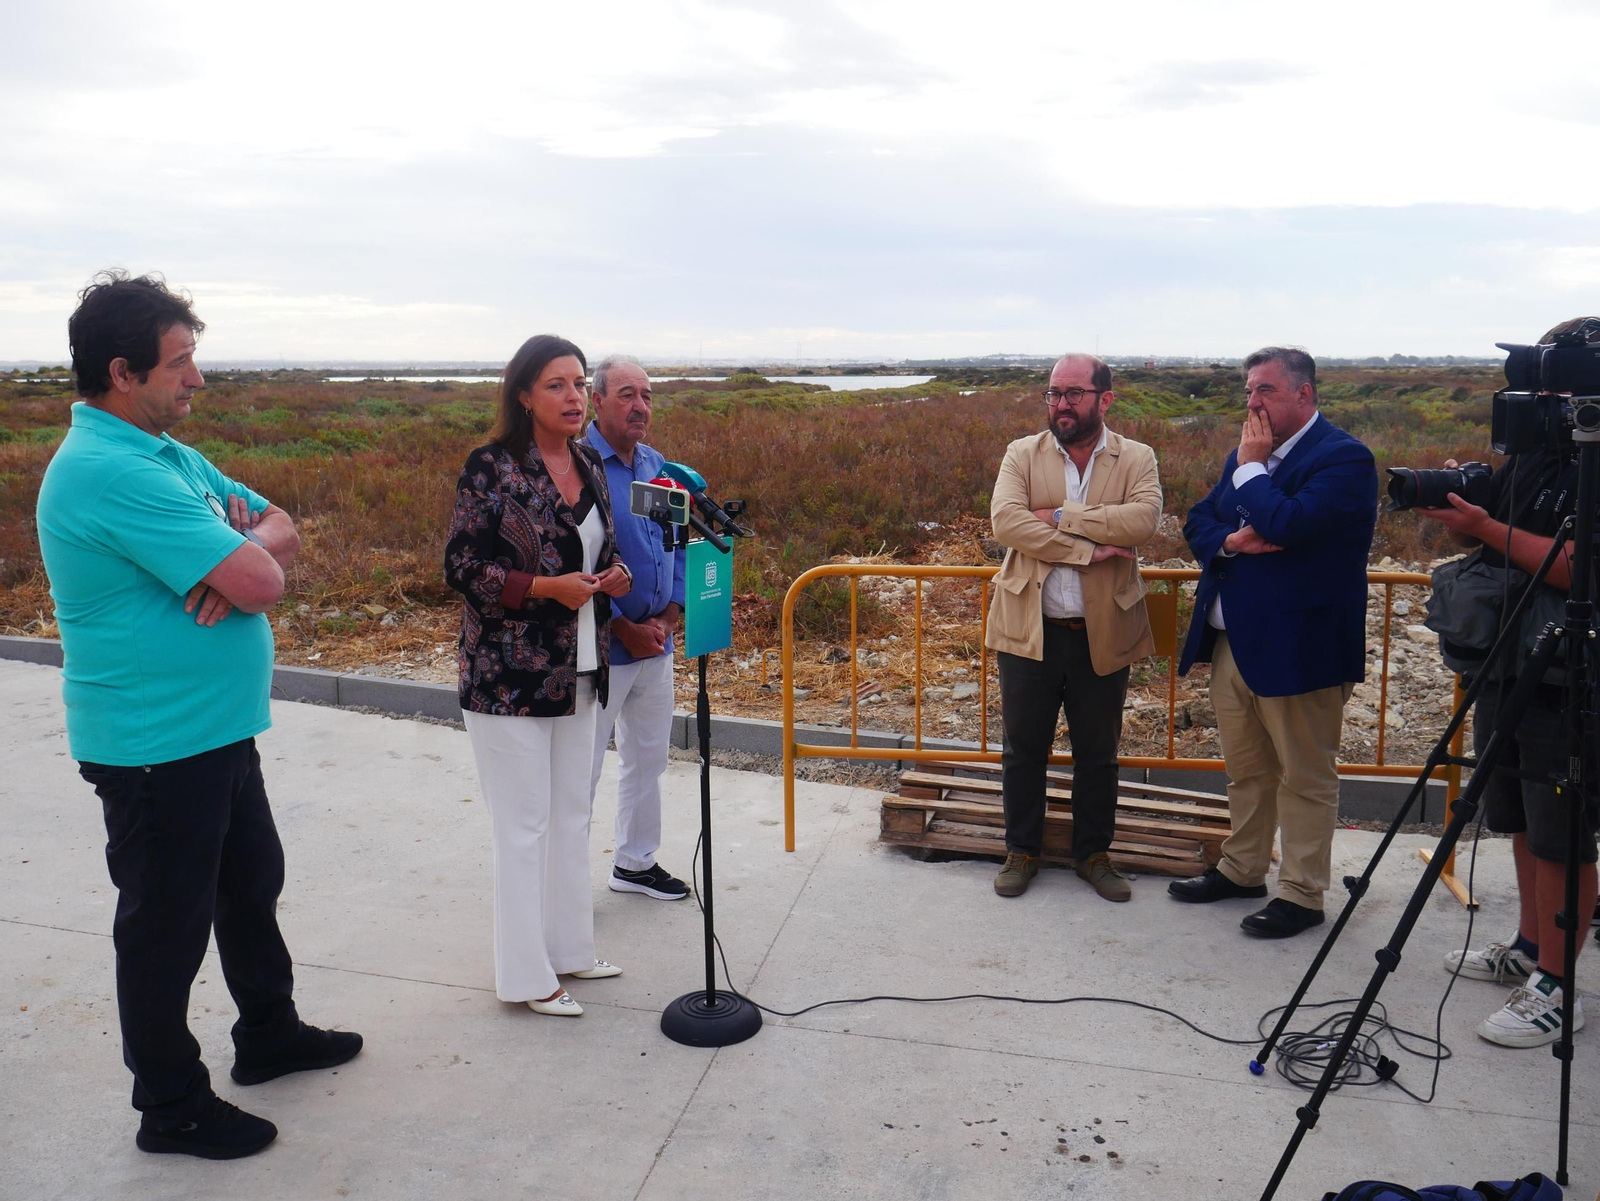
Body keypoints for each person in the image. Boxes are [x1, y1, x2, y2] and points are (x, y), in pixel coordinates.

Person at [35, 272, 362, 1161]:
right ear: (121, 370)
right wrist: (240, 563)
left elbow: (279, 526)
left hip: (212, 730)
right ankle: (171, 1103)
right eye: (180, 363)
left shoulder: (162, 453)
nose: (198, 380)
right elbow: (266, 578)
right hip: (152, 744)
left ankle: (268, 1032)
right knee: (164, 927)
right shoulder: (107, 468)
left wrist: (235, 549)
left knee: (249, 884)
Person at [1417, 316, 1600, 1047]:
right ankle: (1530, 949)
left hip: (1572, 676)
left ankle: (1560, 985)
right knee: (1520, 817)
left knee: (1563, 836)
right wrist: (1462, 512)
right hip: (1511, 660)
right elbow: (1494, 526)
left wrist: (1488, 529)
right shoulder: (1535, 451)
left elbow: (1576, 566)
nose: (1538, 391)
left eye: (1552, 375)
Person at [445, 334, 632, 1017]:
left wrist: (616, 576)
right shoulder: (490, 467)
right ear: (523, 394)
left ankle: (570, 950)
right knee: (523, 826)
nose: (574, 396)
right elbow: (463, 570)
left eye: (580, 383)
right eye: (556, 384)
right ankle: (526, 976)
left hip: (581, 670)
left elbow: (600, 550)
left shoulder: (586, 462)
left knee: (571, 816)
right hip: (508, 680)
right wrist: (546, 587)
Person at [1170, 346, 1377, 938]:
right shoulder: (1245, 458)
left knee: (1305, 776)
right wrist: (1232, 543)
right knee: (1247, 770)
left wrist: (1253, 471)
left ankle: (1302, 895)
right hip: (1234, 641)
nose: (1252, 403)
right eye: (1248, 392)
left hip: (1301, 645)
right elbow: (1199, 521)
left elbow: (1288, 523)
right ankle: (1242, 870)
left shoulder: (1344, 459)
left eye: (1264, 390)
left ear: (1304, 394)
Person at [985, 353, 1163, 902]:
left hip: (1101, 631)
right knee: (1023, 750)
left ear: (1104, 399)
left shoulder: (1137, 457)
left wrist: (1059, 516)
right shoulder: (1023, 453)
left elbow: (1142, 522)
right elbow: (1006, 523)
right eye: (1054, 393)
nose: (1061, 404)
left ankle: (1093, 854)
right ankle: (1022, 850)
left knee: (1097, 752)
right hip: (1029, 628)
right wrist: (1091, 551)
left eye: (1074, 394)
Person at [583, 355, 690, 900]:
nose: (640, 406)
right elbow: (569, 565)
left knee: (647, 759)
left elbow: (676, 544)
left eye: (647, 395)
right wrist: (623, 627)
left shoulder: (655, 465)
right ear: (596, 400)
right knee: (581, 772)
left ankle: (634, 862)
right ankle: (567, 885)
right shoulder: (576, 466)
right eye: (627, 394)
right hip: (602, 651)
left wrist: (671, 614)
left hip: (658, 644)